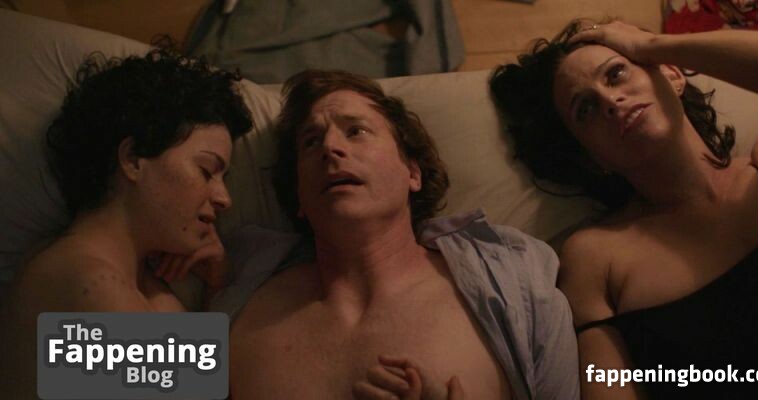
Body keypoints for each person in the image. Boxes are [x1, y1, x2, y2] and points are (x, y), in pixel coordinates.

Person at [210, 69, 579, 399]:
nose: (331, 148)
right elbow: (171, 382)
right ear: (299, 197)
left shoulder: (513, 283)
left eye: (356, 131)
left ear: (412, 173)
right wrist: (176, 295)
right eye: (311, 142)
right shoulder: (240, 286)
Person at [490, 19, 758, 400]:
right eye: (585, 108)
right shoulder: (596, 258)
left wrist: (651, 45)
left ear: (672, 75)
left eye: (616, 74)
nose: (609, 101)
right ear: (592, 157)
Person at [0, 47, 253, 399]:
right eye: (206, 171)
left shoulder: (137, 281)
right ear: (133, 159)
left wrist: (217, 285)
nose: (224, 198)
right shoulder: (86, 283)